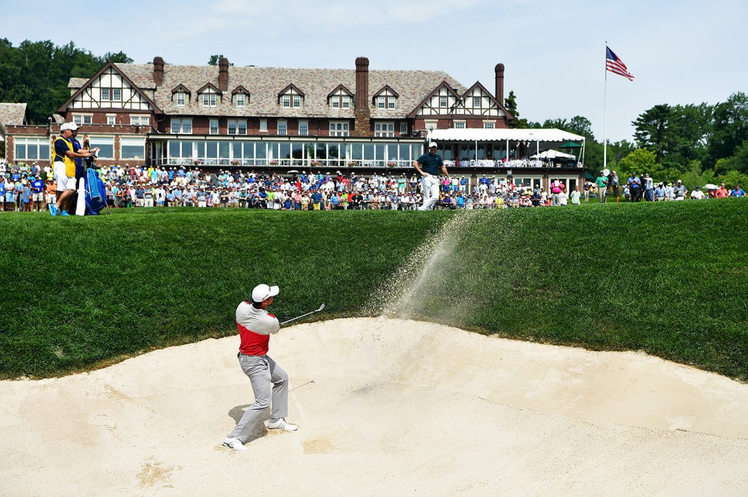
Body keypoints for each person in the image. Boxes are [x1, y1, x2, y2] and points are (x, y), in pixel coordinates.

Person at [223, 284, 297, 451]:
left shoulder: (241, 308)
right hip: (255, 363)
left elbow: (258, 317)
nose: (273, 298)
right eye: (270, 296)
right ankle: (233, 437)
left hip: (252, 357)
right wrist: (270, 320)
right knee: (263, 401)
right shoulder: (269, 320)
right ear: (265, 302)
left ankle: (276, 420)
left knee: (282, 378)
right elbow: (275, 328)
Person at [50, 123, 98, 216]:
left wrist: (89, 151)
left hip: (68, 166)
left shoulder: (68, 141)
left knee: (71, 188)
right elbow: (70, 154)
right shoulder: (60, 141)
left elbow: (77, 151)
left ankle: (56, 207)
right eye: (71, 131)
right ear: (66, 131)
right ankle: (61, 210)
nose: (72, 133)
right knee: (61, 189)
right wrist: (86, 154)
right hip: (61, 165)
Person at [413, 142, 450, 211]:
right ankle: (425, 210)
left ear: (436, 149)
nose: (433, 149)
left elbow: (443, 167)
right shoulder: (425, 156)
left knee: (436, 197)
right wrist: (421, 172)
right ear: (429, 148)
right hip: (427, 177)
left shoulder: (438, 157)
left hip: (435, 178)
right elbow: (415, 163)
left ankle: (422, 208)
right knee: (426, 196)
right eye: (432, 148)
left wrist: (448, 176)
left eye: (434, 148)